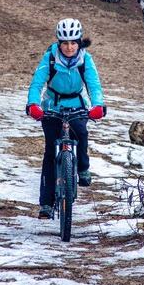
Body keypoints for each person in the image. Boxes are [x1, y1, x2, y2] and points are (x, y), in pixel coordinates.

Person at [26, 18, 105, 219]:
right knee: (51, 153)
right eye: (65, 43)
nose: (69, 47)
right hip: (52, 107)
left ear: (79, 42)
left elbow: (94, 86)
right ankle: (46, 203)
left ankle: (83, 168)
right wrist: (33, 105)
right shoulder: (50, 59)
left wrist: (97, 106)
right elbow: (36, 84)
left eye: (73, 42)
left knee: (81, 131)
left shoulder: (86, 60)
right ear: (59, 43)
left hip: (77, 105)